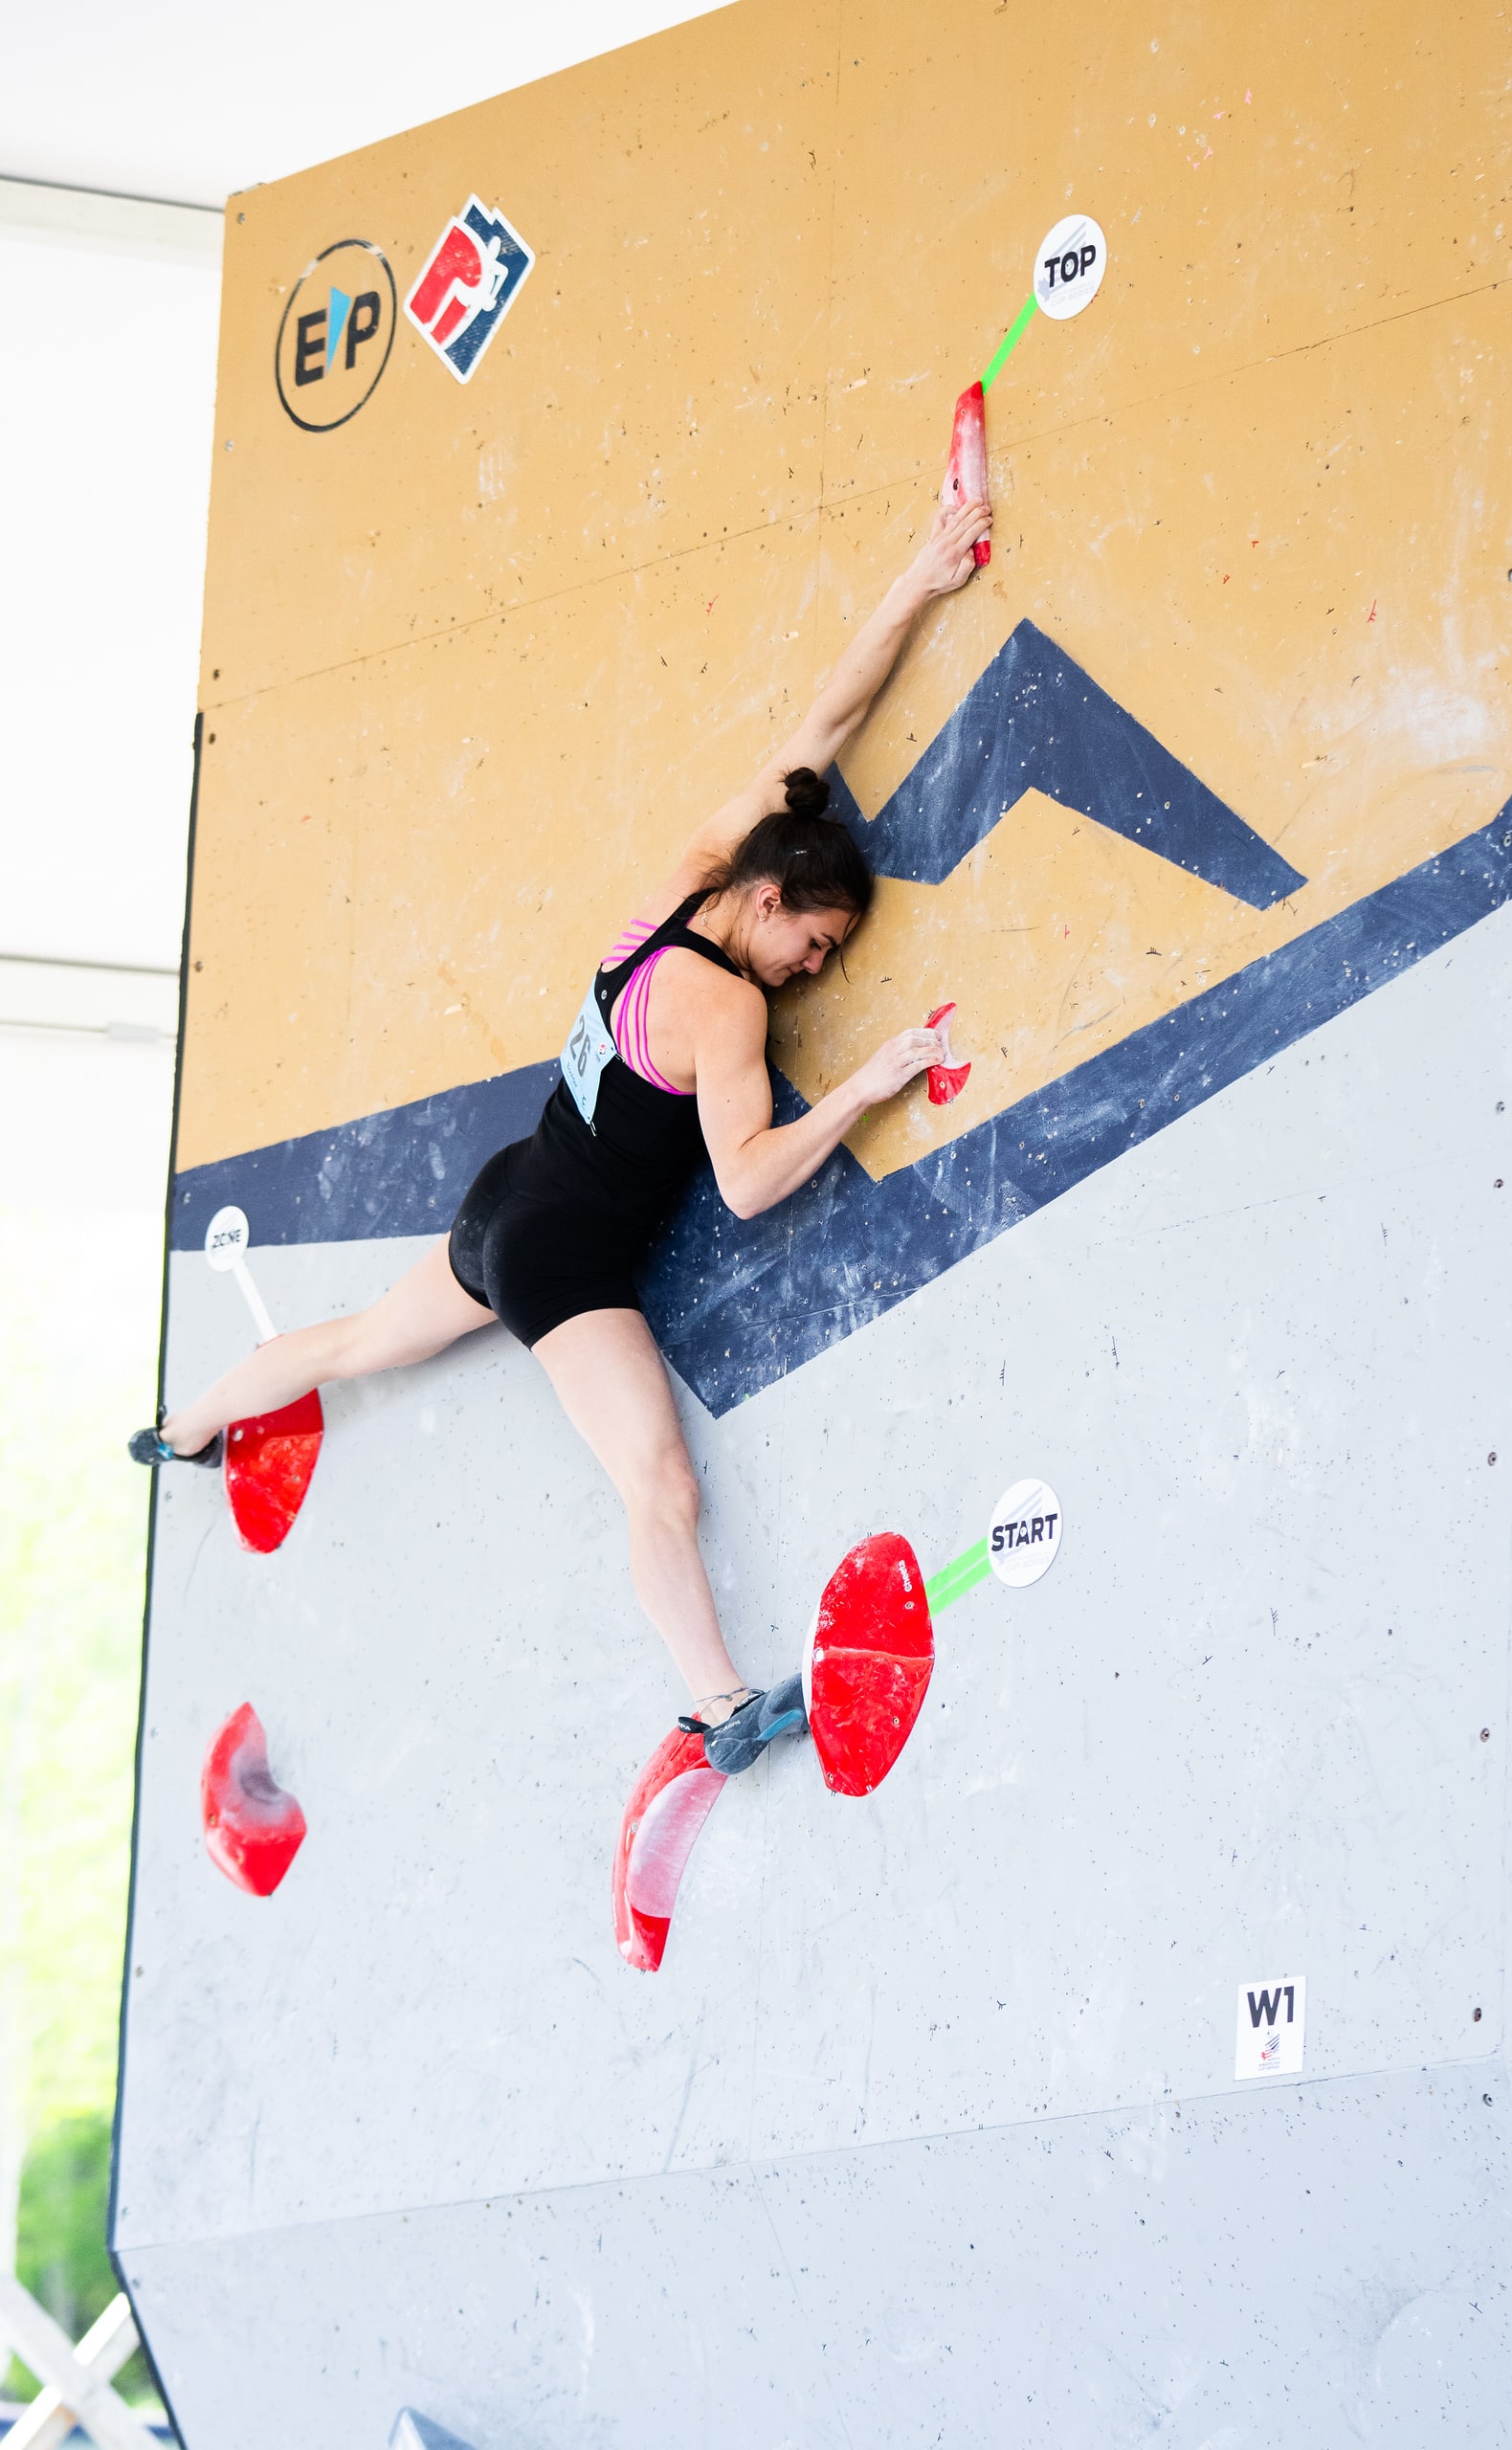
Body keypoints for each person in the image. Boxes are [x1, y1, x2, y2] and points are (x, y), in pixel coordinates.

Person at [132, 492, 993, 1772]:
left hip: (508, 1197)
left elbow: (825, 723)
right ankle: (714, 1704)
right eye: (813, 945)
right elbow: (750, 1185)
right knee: (661, 1481)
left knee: (364, 1339)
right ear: (772, 901)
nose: (812, 972)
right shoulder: (728, 1011)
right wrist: (866, 1085)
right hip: (560, 1263)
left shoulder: (689, 882)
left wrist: (923, 579)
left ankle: (189, 1427)